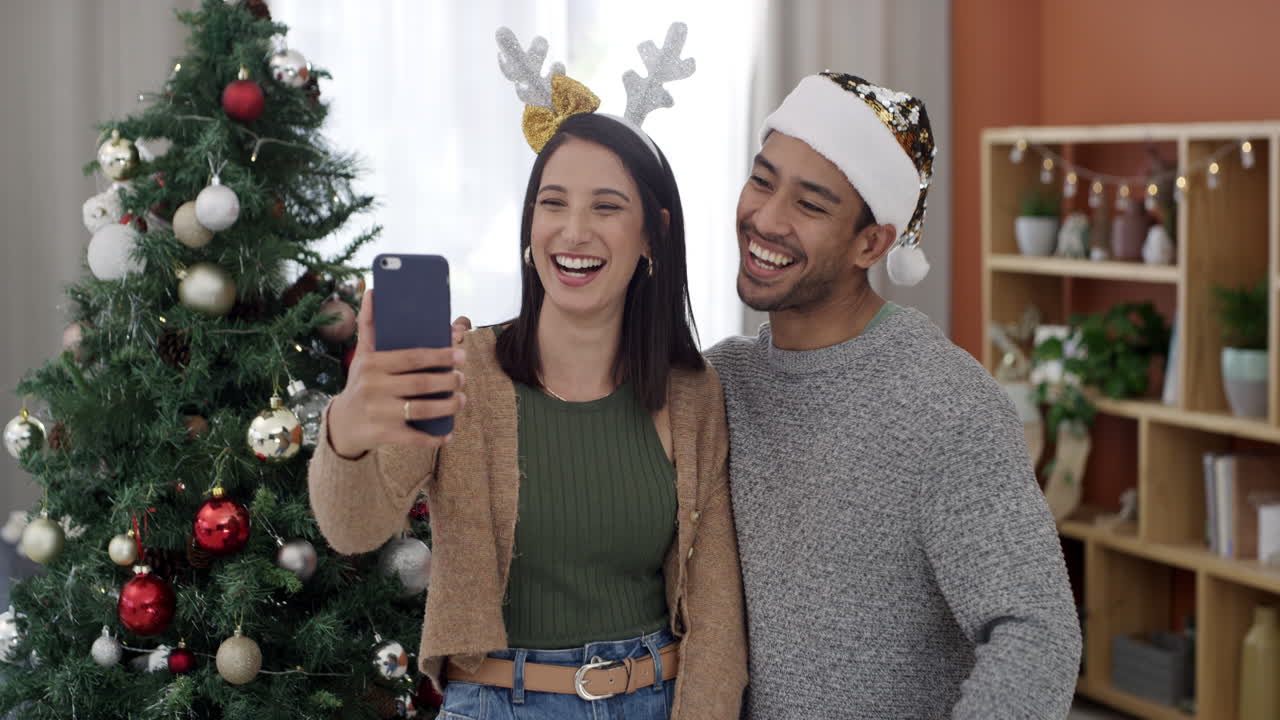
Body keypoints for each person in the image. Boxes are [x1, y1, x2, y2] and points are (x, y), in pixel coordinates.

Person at [306, 29, 747, 720]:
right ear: (528, 225)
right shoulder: (466, 369)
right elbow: (351, 528)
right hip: (499, 703)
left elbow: (717, 617)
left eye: (607, 207)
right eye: (553, 202)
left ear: (653, 235)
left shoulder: (693, 394)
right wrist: (350, 427)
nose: (573, 231)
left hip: (656, 701)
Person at [702, 73, 1083, 719]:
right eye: (762, 181)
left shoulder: (946, 406)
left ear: (872, 243)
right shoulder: (721, 382)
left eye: (810, 205)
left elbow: (1038, 636)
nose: (766, 218)